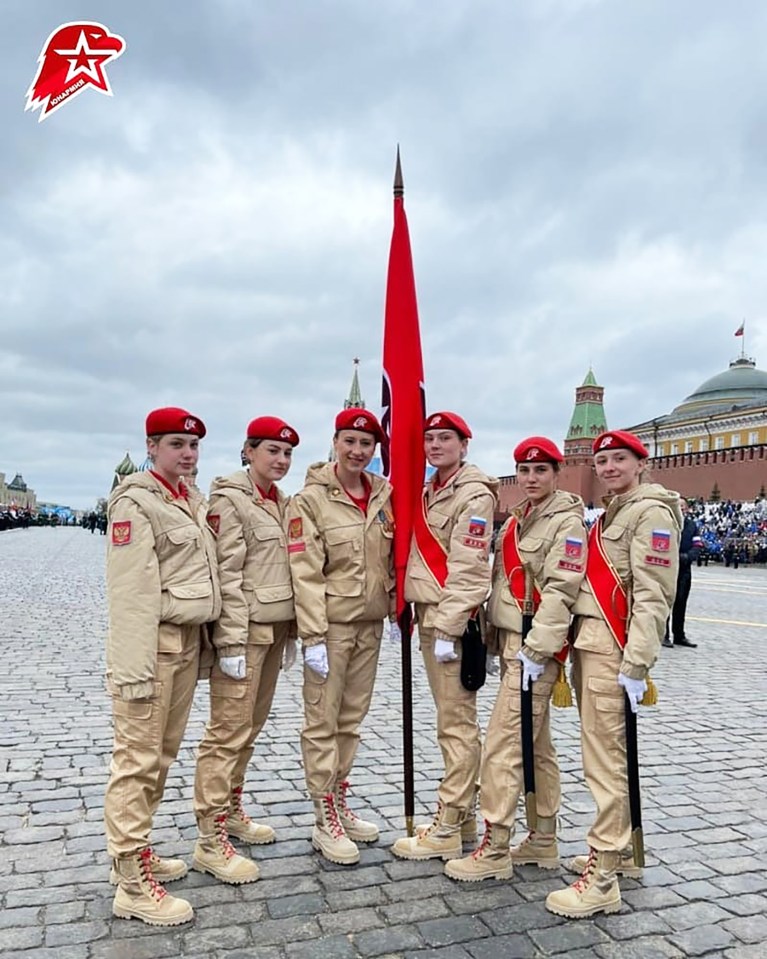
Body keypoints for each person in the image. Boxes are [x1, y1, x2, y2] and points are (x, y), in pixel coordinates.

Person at [545, 430, 681, 919]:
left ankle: (601, 877)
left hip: (613, 651)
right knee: (607, 756)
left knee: (604, 761)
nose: (607, 468)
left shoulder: (651, 514)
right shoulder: (613, 512)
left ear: (641, 463)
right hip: (591, 644)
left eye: (618, 459)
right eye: (601, 460)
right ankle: (618, 851)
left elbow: (653, 593)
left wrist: (637, 662)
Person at [444, 437, 586, 881]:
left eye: (540, 470)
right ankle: (543, 837)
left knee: (504, 744)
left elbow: (563, 588)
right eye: (524, 471)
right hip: (510, 641)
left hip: (534, 649)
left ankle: (496, 845)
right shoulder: (518, 522)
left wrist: (538, 649)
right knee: (536, 745)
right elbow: (504, 582)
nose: (530, 479)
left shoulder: (567, 523)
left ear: (557, 473)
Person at [104, 407, 221, 926]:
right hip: (152, 649)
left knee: (162, 755)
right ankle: (130, 882)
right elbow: (130, 595)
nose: (188, 454)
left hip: (185, 645)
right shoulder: (136, 502)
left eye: (193, 446)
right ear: (151, 447)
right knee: (137, 760)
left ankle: (137, 851)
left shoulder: (189, 499)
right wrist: (132, 671)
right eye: (176, 444)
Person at [193, 416, 300, 884]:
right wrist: (230, 640)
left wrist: (292, 630)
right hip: (246, 633)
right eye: (271, 451)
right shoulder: (231, 500)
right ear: (248, 451)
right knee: (226, 733)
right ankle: (209, 836)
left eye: (286, 453)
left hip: (274, 632)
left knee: (249, 729)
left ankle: (232, 809)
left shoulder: (280, 502)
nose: (280, 460)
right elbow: (229, 573)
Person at [287, 408, 394, 866]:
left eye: (366, 444)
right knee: (322, 722)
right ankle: (322, 813)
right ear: (334, 442)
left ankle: (340, 797)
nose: (357, 451)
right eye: (349, 441)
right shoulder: (309, 501)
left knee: (351, 720)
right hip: (329, 627)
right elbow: (305, 572)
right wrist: (311, 637)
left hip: (369, 623)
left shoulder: (383, 496)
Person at [392, 411, 498, 861]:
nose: (434, 445)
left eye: (445, 439)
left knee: (456, 725)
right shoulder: (430, 489)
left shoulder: (472, 494)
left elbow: (471, 570)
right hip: (430, 615)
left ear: (464, 445)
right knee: (451, 722)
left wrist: (448, 629)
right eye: (430, 439)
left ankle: (449, 823)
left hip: (450, 622)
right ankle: (465, 815)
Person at [663, 499, 699, 648]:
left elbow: (697, 545)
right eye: (678, 506)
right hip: (667, 569)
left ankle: (679, 635)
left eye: (683, 506)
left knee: (681, 603)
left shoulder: (692, 525)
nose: (681, 509)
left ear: (687, 509)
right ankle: (663, 635)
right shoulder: (664, 522)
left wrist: (687, 557)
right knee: (665, 603)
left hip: (684, 570)